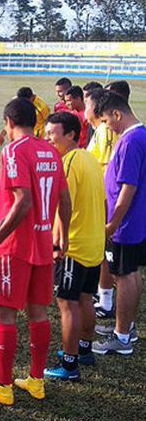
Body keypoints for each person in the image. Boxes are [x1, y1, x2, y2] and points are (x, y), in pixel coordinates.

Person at [0, 98, 71, 406]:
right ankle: (36, 381)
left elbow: (23, 200)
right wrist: (62, 236)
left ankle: (3, 385)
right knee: (38, 312)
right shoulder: (51, 152)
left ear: (9, 122)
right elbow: (65, 200)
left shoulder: (13, 150)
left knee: (5, 313)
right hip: (43, 245)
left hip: (14, 248)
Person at [44, 112, 105, 380]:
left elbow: (62, 207)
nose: (48, 138)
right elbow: (102, 203)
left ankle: (69, 366)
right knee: (85, 298)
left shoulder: (67, 163)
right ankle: (84, 349)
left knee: (66, 303)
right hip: (94, 242)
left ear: (70, 134)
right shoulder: (90, 159)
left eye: (52, 133)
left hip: (74, 246)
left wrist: (58, 244)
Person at [91, 89, 146, 355]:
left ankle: (122, 337)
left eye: (105, 120)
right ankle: (127, 327)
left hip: (125, 224)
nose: (106, 126)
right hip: (131, 222)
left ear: (116, 113)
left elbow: (128, 188)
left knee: (124, 275)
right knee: (129, 273)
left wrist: (112, 223)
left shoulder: (131, 140)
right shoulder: (137, 136)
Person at [87, 86, 124, 318]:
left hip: (106, 199)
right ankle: (103, 295)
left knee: (106, 251)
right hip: (104, 197)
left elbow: (105, 164)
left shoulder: (106, 131)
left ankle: (107, 300)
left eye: (88, 105)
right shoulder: (101, 129)